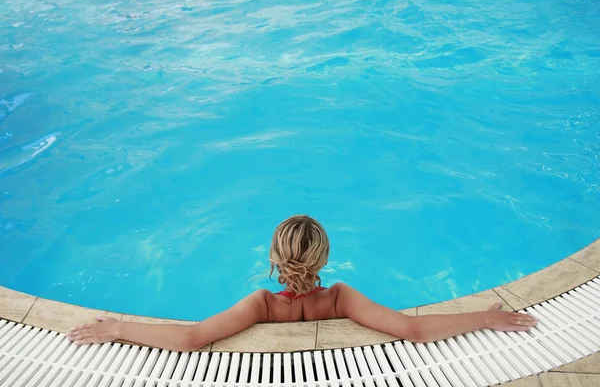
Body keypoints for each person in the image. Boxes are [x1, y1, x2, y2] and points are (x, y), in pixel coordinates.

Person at [68, 215, 537, 351]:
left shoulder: (261, 305)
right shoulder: (341, 297)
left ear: (272, 258)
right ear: (325, 257)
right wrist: (487, 318)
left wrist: (118, 327)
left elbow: (191, 339)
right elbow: (411, 330)